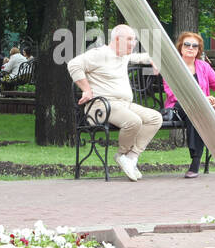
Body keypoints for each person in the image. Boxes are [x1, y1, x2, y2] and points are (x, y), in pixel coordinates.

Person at [67, 24, 160, 182]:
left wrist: (151, 59)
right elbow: (73, 64)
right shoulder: (99, 54)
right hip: (100, 105)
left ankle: (131, 157)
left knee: (155, 118)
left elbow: (138, 57)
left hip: (123, 105)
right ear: (117, 40)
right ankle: (122, 154)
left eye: (134, 39)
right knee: (133, 121)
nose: (134, 42)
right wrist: (86, 90)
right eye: (130, 39)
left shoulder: (123, 55)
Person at [161, 32, 215, 178]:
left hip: (199, 110)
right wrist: (202, 99)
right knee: (194, 109)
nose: (190, 48)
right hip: (177, 108)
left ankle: (195, 162)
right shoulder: (172, 67)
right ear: (180, 47)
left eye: (195, 46)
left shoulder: (203, 67)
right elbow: (173, 93)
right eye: (187, 44)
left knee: (196, 113)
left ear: (198, 50)